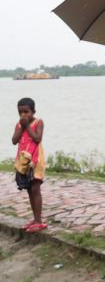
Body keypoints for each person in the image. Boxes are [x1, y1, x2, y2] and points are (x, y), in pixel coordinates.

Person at [12, 97, 46, 232]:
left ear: (34, 111)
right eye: (20, 112)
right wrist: (21, 127)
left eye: (26, 112)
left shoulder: (39, 122)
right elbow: (14, 140)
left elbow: (37, 138)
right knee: (29, 189)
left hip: (35, 161)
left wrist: (26, 126)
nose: (23, 115)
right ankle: (35, 218)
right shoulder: (18, 125)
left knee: (35, 189)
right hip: (23, 162)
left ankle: (39, 221)